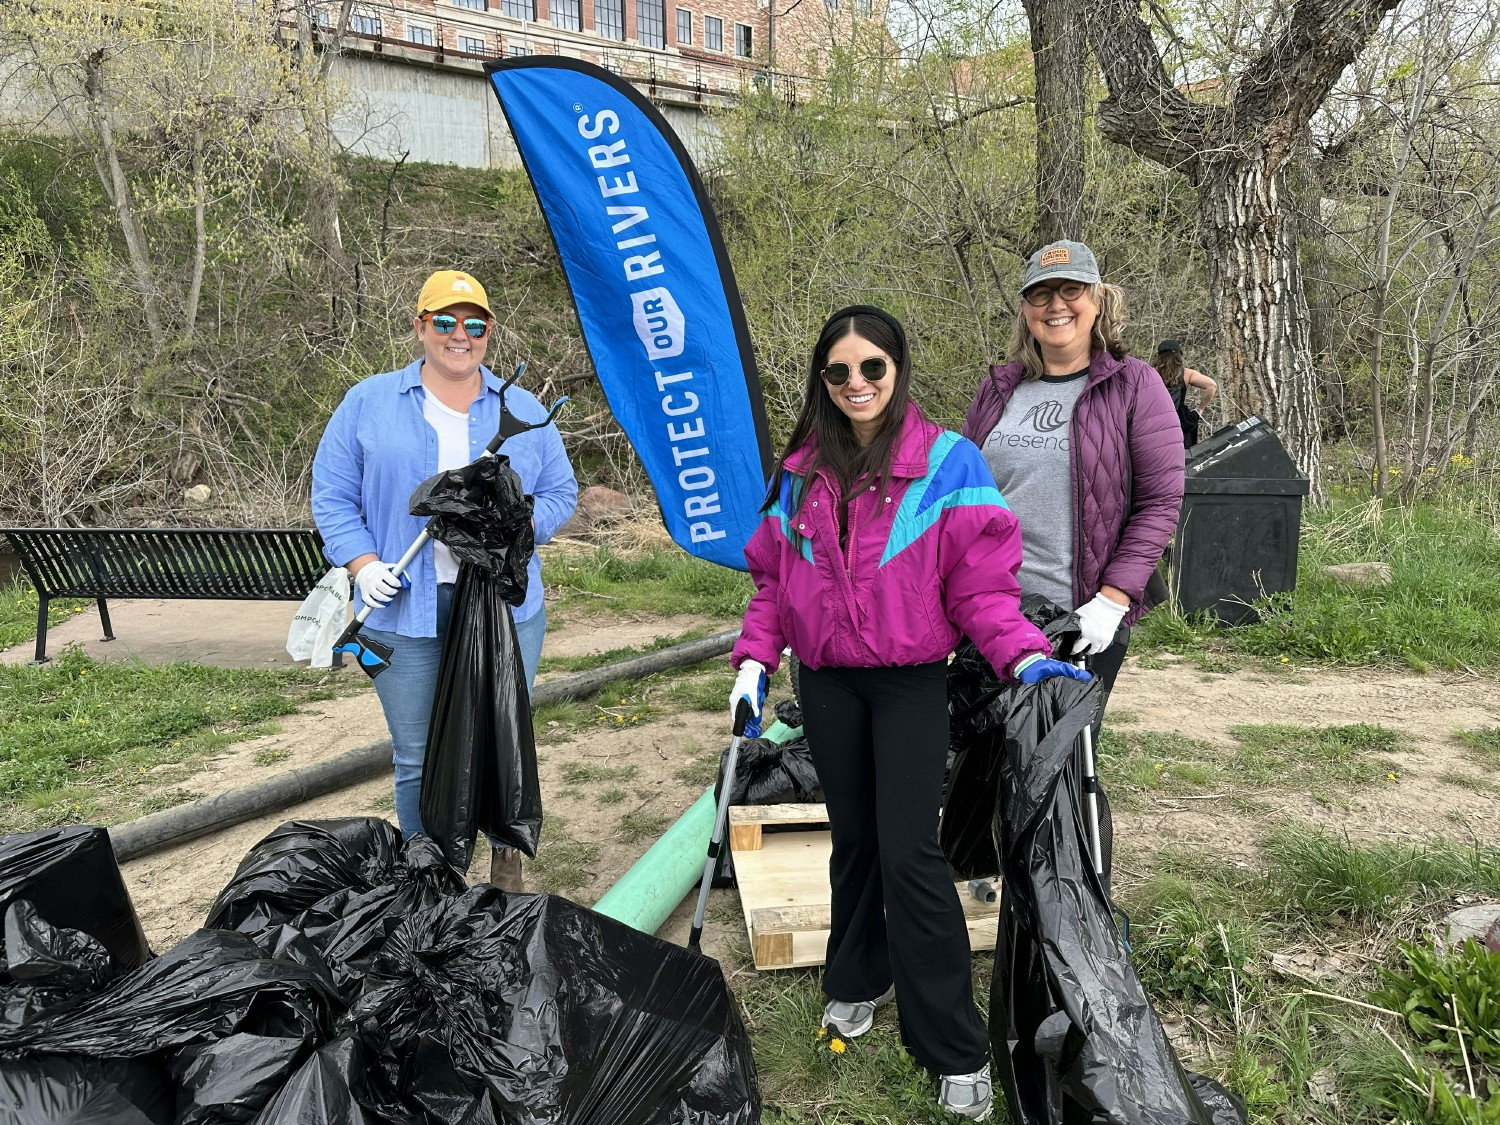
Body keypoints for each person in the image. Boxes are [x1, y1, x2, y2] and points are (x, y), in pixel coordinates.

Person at [729, 305, 1089, 1122]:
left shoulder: (951, 464)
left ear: (898, 371)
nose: (857, 384)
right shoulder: (800, 470)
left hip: (908, 683)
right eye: (840, 371)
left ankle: (953, 1045)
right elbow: (773, 583)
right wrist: (755, 660)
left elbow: (982, 589)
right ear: (823, 380)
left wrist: (1023, 653)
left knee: (909, 854)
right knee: (852, 838)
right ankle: (854, 979)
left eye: (873, 368)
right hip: (824, 682)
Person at [312, 269, 578, 890]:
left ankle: (505, 870)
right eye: (447, 322)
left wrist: (514, 526)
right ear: (420, 326)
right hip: (402, 612)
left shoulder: (523, 408)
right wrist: (362, 564)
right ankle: (430, 881)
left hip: (505, 608)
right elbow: (332, 496)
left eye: (476, 325)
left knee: (497, 737)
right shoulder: (368, 403)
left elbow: (561, 491)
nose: (462, 336)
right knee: (416, 756)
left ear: (488, 333)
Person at [963, 239, 1184, 700]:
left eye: (1070, 290)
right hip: (989, 611)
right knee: (978, 764)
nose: (1056, 305)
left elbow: (1160, 503)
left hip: (1080, 616)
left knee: (1055, 764)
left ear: (1097, 299)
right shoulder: (998, 389)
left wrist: (1112, 600)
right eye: (1041, 293)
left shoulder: (1134, 385)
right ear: (1026, 308)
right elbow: (962, 495)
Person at [1152, 338, 1217, 449]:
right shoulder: (1186, 374)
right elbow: (1211, 385)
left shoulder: (1149, 373)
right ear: (1178, 355)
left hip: (1156, 424)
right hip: (1180, 423)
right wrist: (1200, 409)